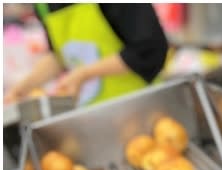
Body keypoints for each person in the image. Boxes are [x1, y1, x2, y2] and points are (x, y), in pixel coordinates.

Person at [4, 4, 168, 107]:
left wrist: (84, 74)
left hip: (141, 105)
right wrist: (23, 87)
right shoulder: (43, 6)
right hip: (91, 115)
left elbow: (149, 47)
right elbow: (59, 55)